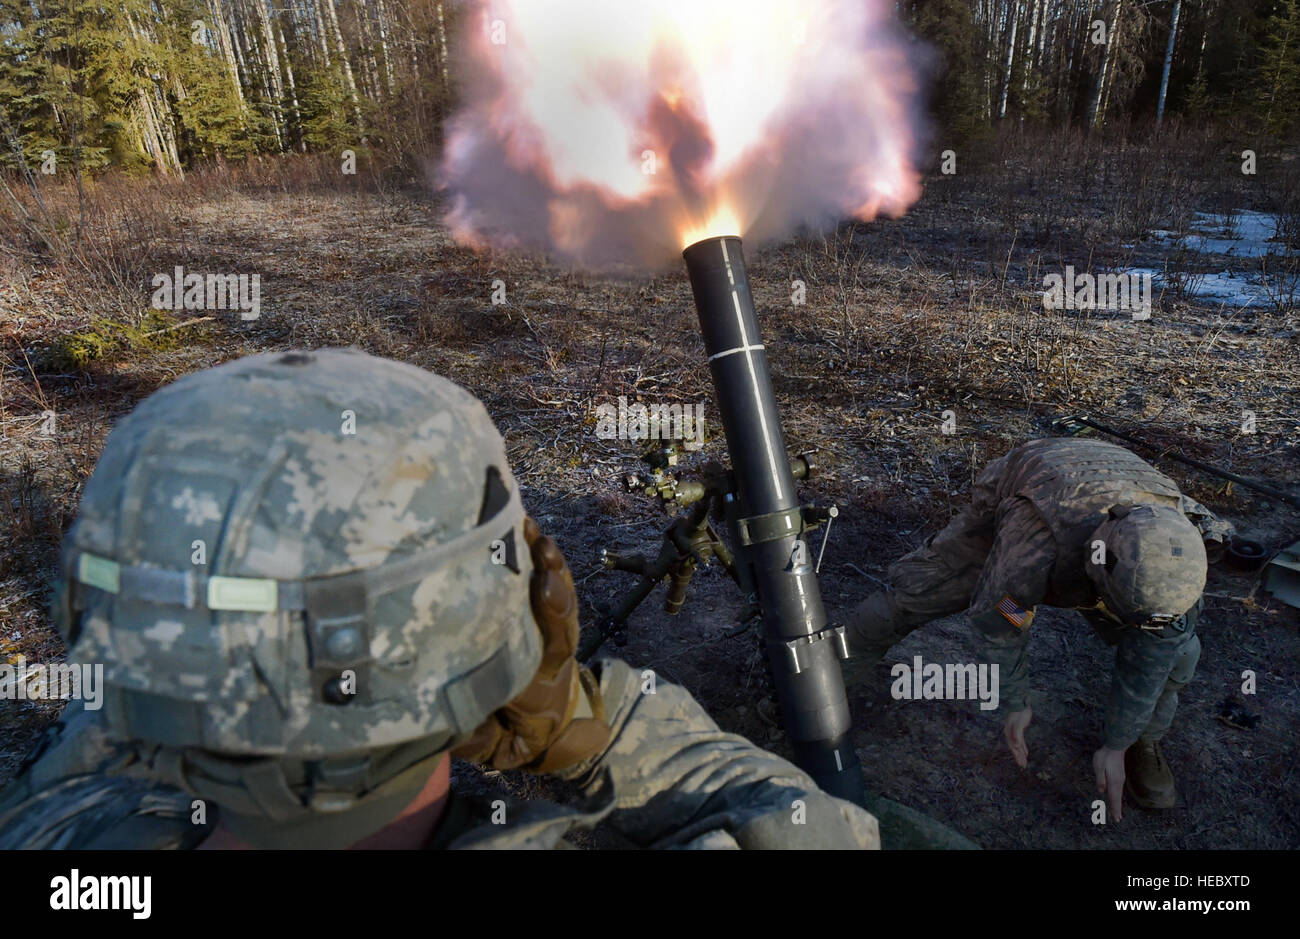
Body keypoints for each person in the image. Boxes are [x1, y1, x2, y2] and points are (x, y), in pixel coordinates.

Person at [0, 349, 878, 850]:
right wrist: (577, 719)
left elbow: (103, 747)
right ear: (508, 619)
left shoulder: (62, 833)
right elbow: (814, 826)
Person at [843, 437, 1232, 821]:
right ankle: (834, 668)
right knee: (924, 589)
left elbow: (1155, 652)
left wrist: (1119, 741)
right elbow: (1002, 616)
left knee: (1180, 651)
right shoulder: (1035, 540)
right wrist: (1016, 700)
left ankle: (1145, 742)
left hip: (1117, 489)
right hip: (1034, 483)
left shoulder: (1180, 551)